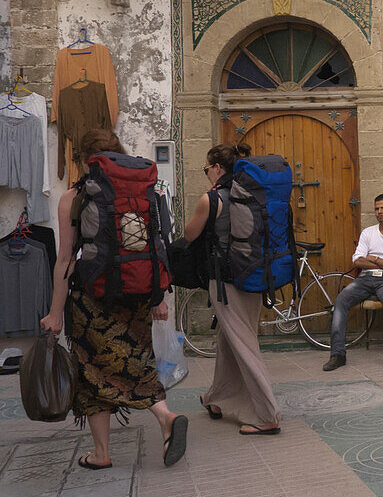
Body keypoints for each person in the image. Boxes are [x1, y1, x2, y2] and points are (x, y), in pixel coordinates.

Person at [40, 129, 188, 470]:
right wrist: (157, 300)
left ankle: (105, 452)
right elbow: (153, 245)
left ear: (83, 160)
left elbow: (65, 260)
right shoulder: (142, 192)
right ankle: (163, 416)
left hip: (91, 300)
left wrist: (55, 313)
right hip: (136, 295)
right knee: (136, 362)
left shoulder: (74, 198)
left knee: (91, 373)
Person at [181, 143, 281, 436]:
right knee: (231, 339)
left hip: (224, 281)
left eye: (207, 169)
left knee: (243, 344)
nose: (206, 174)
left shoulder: (211, 199)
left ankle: (267, 415)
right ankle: (217, 397)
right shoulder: (252, 195)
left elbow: (189, 235)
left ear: (217, 168)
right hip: (253, 277)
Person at [324, 194, 383, 372]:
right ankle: (337, 355)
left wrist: (373, 257)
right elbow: (357, 261)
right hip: (365, 278)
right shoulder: (368, 233)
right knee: (340, 300)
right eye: (377, 208)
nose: (380, 212)